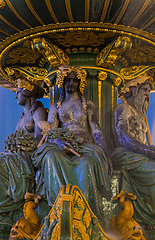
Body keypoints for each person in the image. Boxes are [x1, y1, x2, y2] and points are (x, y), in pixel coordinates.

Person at [32, 65, 112, 222]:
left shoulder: (88, 105)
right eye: (68, 80)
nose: (71, 84)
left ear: (80, 83)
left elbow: (97, 131)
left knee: (86, 164)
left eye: (75, 80)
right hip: (60, 144)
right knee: (51, 157)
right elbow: (50, 131)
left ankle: (86, 212)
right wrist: (58, 141)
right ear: (62, 82)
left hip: (84, 146)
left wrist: (107, 155)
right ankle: (58, 209)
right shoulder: (56, 107)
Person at [0, 77, 47, 213]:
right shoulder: (23, 116)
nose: (16, 96)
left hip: (28, 155)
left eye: (18, 92)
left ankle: (3, 206)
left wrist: (22, 146)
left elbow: (40, 138)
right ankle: (1, 204)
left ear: (27, 93)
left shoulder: (38, 112)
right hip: (17, 155)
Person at [111, 73, 155, 225]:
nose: (147, 97)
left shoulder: (140, 115)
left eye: (149, 93)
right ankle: (149, 216)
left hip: (137, 154)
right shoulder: (123, 108)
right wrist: (148, 151)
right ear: (135, 91)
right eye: (145, 91)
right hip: (124, 154)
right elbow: (123, 138)